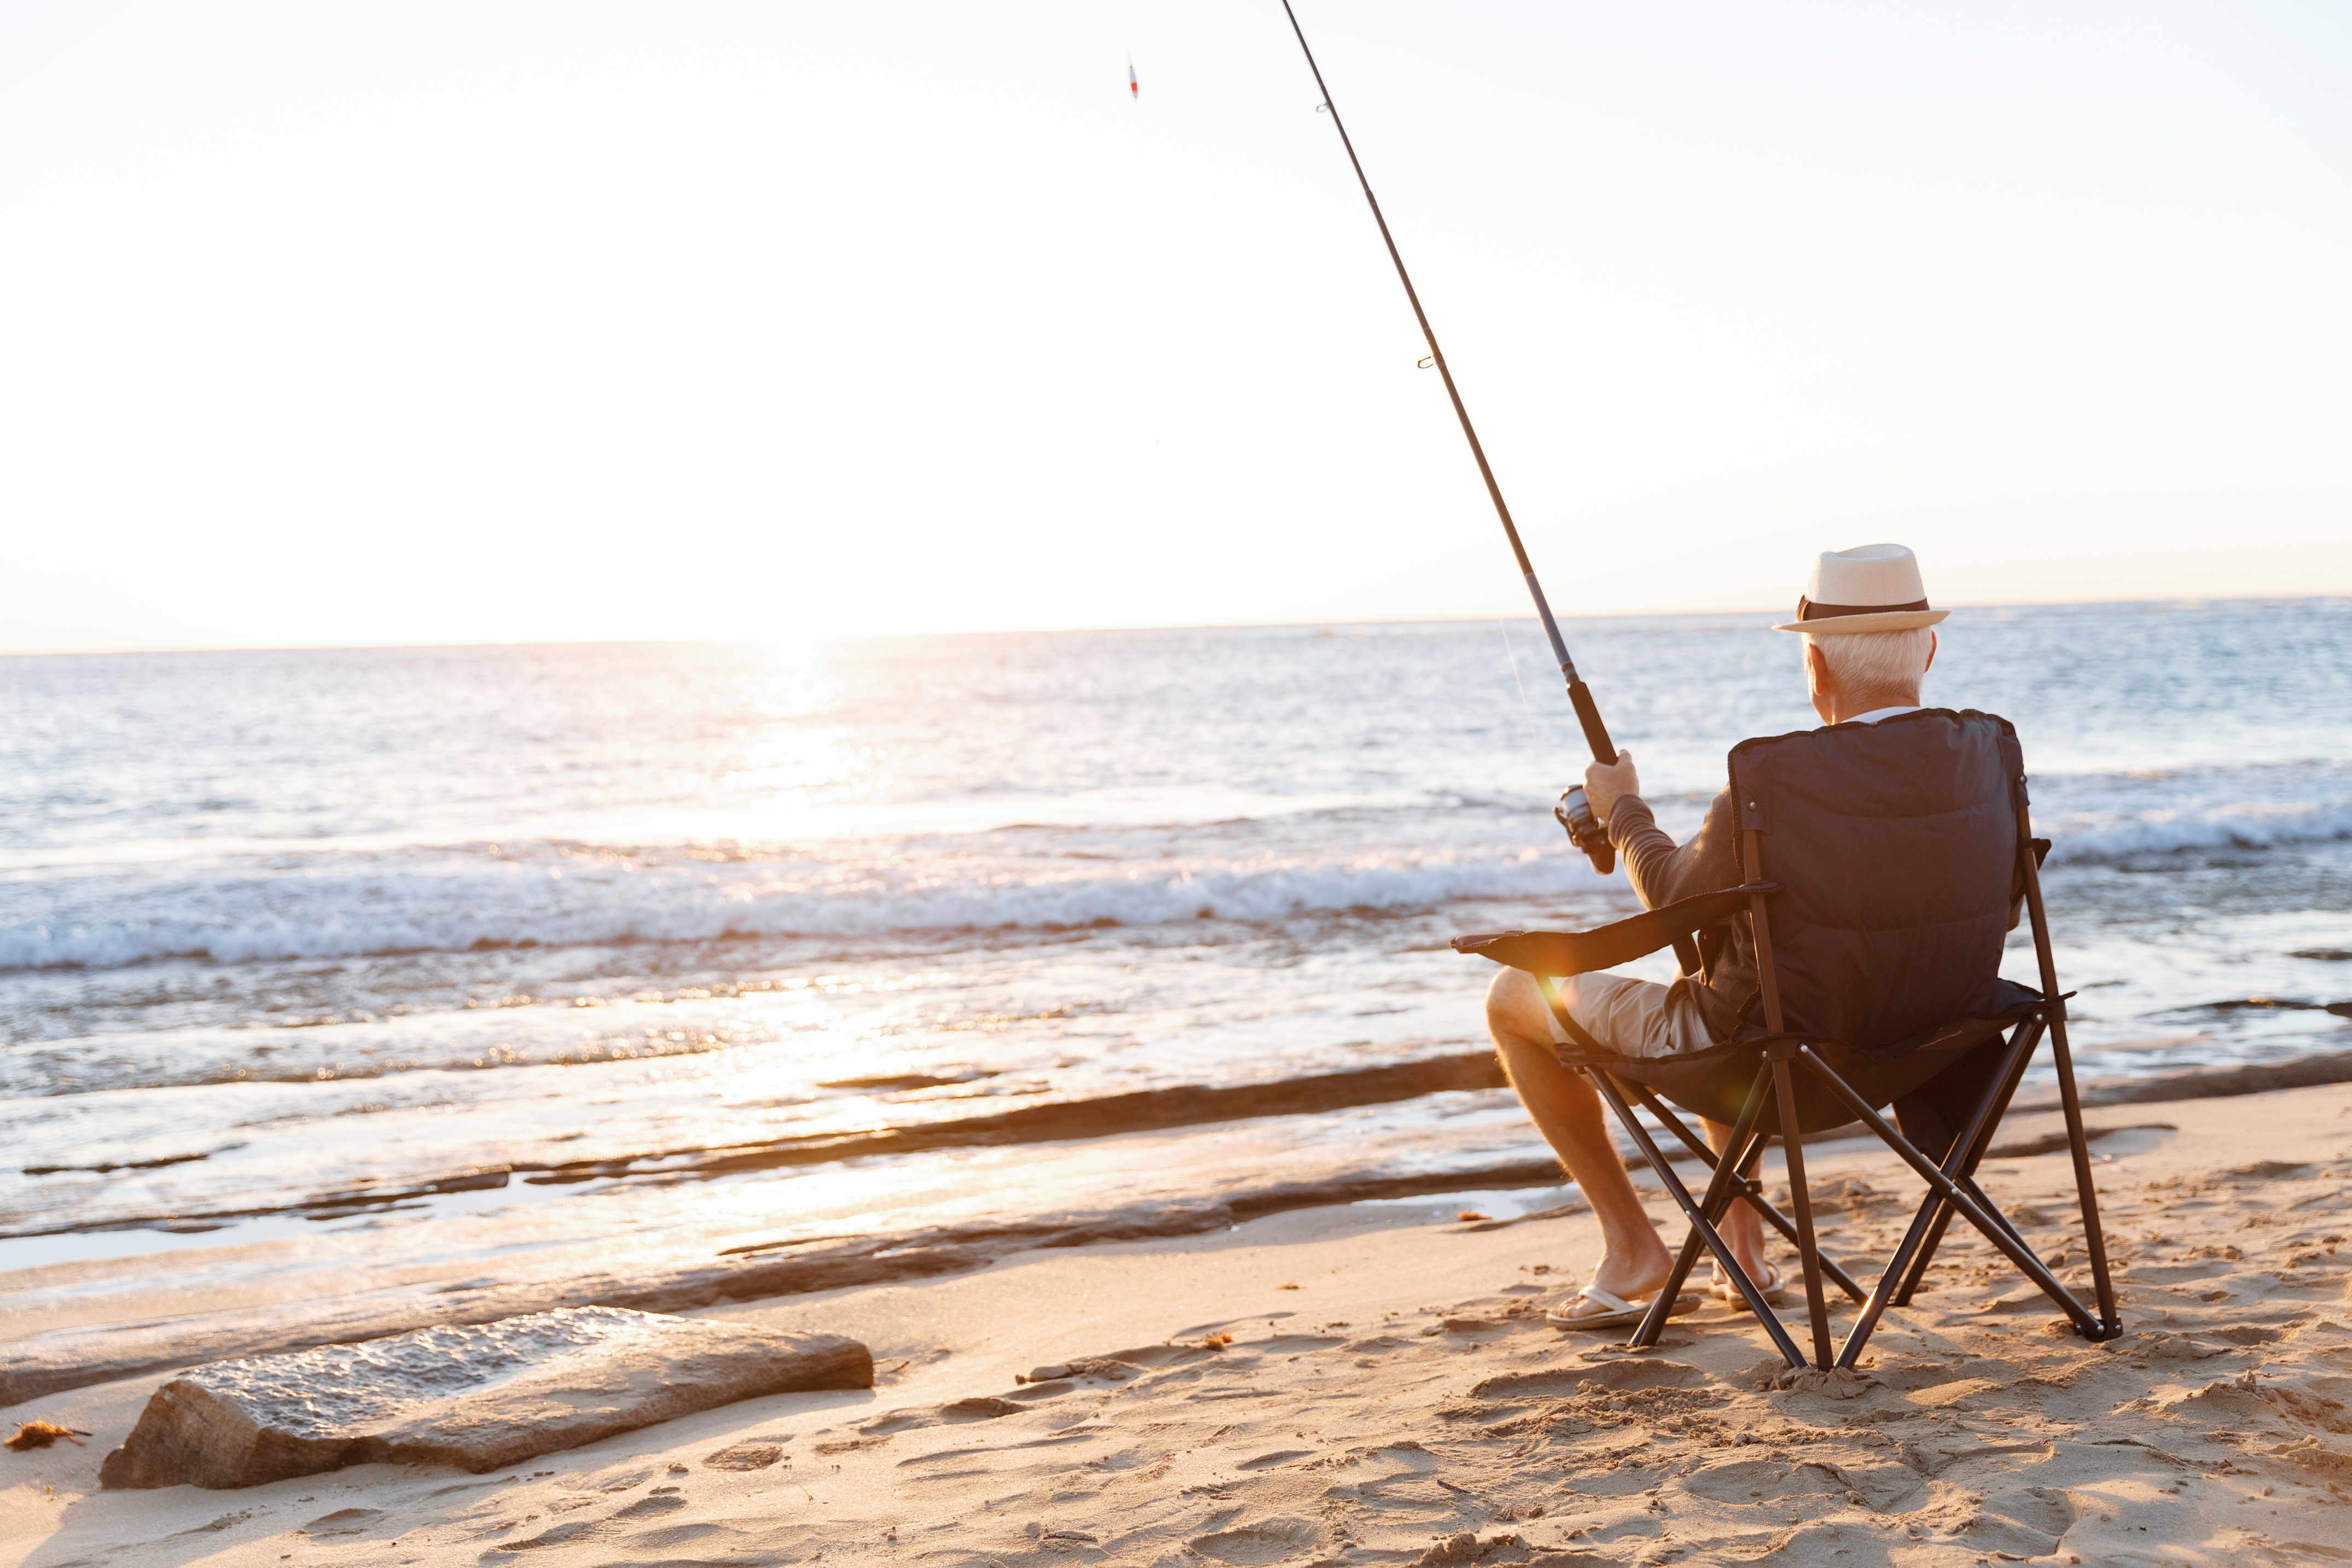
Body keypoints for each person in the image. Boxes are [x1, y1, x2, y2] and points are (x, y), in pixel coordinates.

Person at [1483, 543, 1952, 1328]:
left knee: (1511, 997)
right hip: (1922, 1054)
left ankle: (1634, 1247)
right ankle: (1744, 1244)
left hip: (1784, 1064)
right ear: (1928, 652)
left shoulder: (1773, 785)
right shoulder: (1986, 764)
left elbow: (1669, 894)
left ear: (1818, 670)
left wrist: (1623, 809)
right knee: (1740, 966)